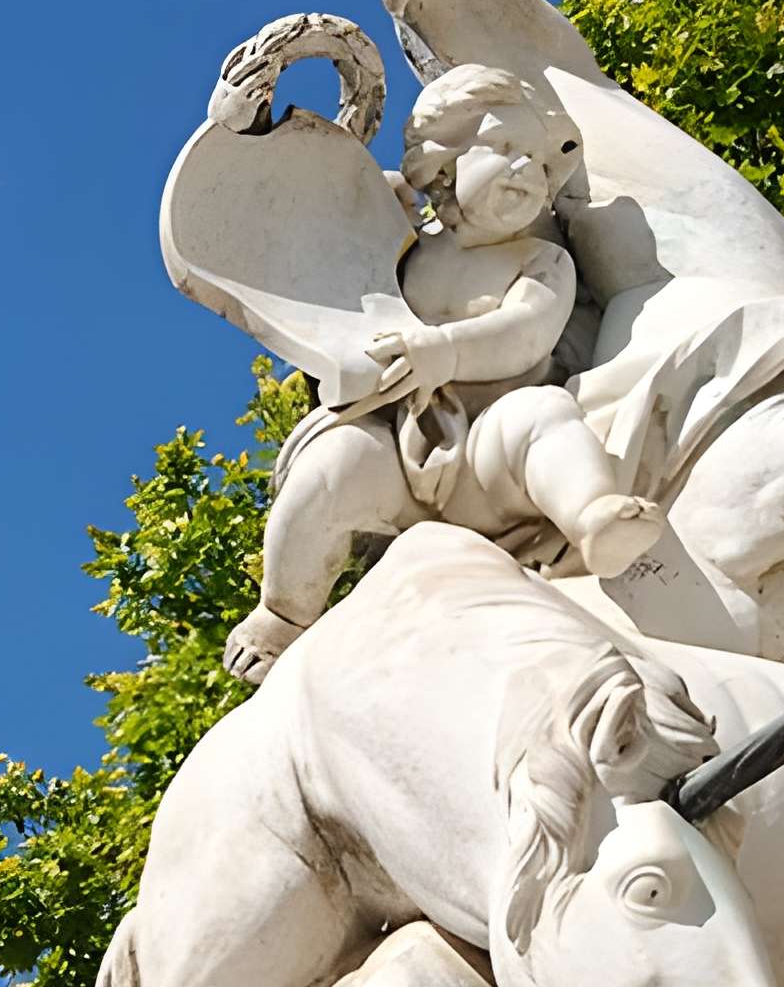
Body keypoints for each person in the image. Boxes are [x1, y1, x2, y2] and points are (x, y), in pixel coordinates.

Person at [222, 63, 662, 684]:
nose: (527, 171)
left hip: (488, 457)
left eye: (537, 160)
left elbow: (527, 333)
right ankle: (284, 612)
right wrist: (368, 211)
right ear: (444, 167)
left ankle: (595, 515)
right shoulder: (411, 248)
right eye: (505, 150)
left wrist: (445, 352)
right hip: (397, 446)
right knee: (330, 467)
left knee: (540, 416)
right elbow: (342, 295)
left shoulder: (544, 260)